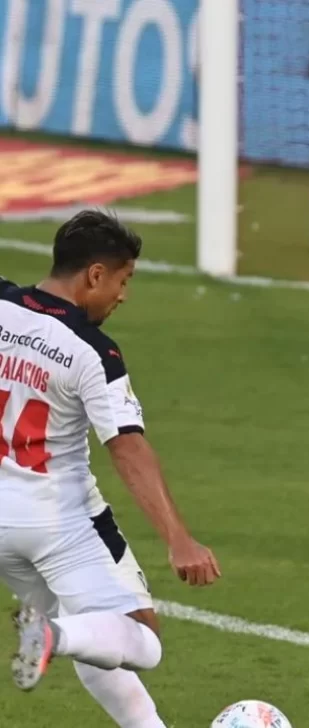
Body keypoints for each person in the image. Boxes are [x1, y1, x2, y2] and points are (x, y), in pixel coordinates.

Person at [0, 209, 221, 727]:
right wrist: (179, 539)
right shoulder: (93, 351)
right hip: (57, 522)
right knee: (141, 640)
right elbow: (128, 449)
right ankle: (54, 636)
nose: (123, 295)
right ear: (95, 275)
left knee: (93, 633)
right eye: (123, 280)